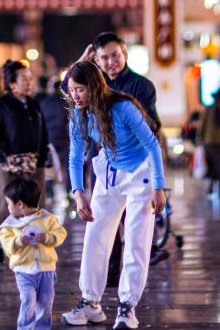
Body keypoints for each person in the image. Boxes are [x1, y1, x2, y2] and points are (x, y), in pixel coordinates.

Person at [60, 61, 166, 330]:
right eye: (71, 90)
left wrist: (158, 187)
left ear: (94, 86)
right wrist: (78, 194)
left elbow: (152, 145)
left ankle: (127, 307)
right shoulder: (79, 115)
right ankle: (90, 302)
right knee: (95, 236)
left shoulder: (123, 107)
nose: (75, 96)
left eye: (80, 89)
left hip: (141, 174)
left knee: (136, 240)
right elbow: (75, 157)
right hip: (109, 172)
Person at [0, 59, 50, 263]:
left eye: (30, 78)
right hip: (8, 165)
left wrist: (42, 157)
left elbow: (43, 133)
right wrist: (8, 151)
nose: (29, 82)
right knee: (8, 204)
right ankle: (0, 244)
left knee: (36, 204)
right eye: (24, 78)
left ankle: (33, 243)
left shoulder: (33, 104)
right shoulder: (2, 104)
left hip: (34, 164)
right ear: (12, 83)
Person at [0, 177, 67, 330]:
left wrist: (48, 237)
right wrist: (17, 242)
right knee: (28, 299)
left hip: (46, 270)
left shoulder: (47, 219)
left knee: (46, 302)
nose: (7, 207)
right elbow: (6, 242)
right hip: (24, 271)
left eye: (8, 203)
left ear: (20, 204)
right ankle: (24, 327)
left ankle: (42, 327)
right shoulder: (10, 225)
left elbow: (60, 233)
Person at [37, 78, 70, 196]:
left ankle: (49, 191)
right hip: (64, 138)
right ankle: (70, 190)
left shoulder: (46, 102)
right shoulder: (66, 103)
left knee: (50, 164)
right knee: (68, 165)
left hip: (50, 138)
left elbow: (41, 121)